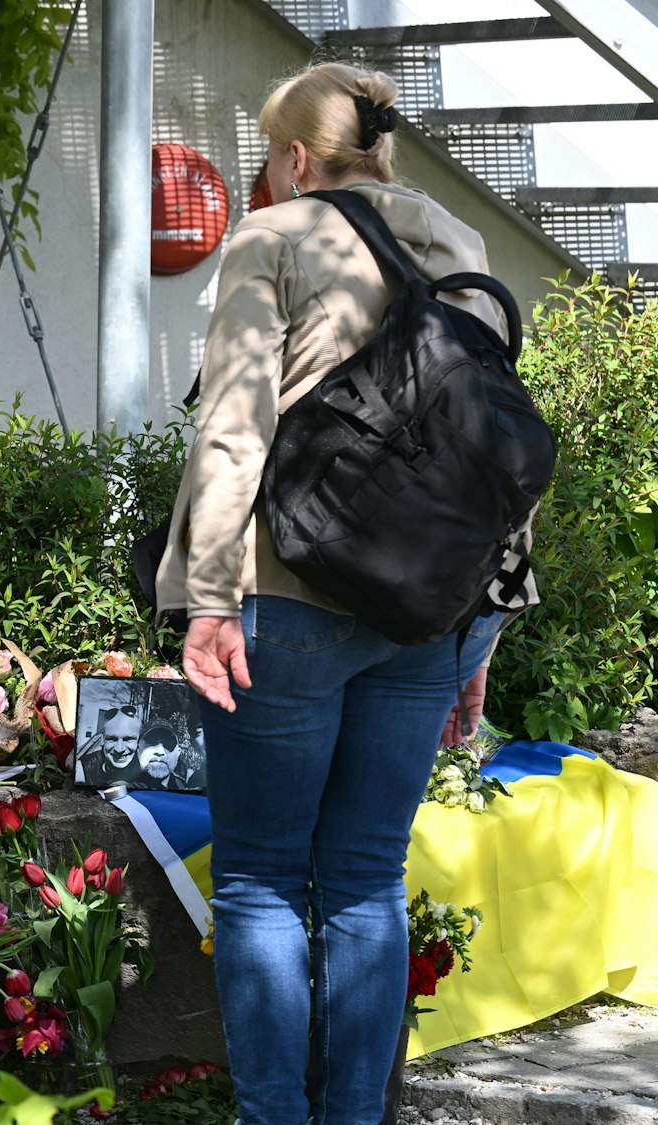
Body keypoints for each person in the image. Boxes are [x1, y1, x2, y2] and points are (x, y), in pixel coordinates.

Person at [152, 62, 533, 1125]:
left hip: (290, 594)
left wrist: (210, 601)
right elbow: (494, 450)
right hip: (430, 609)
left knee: (263, 881)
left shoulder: (269, 239)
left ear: (288, 157)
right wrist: (484, 632)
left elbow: (232, 431)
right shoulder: (461, 246)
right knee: (364, 877)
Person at [75, 704, 142, 786]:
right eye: (112, 739)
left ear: (139, 740)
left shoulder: (147, 768)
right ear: (103, 739)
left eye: (128, 739)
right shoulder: (84, 769)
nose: (119, 749)